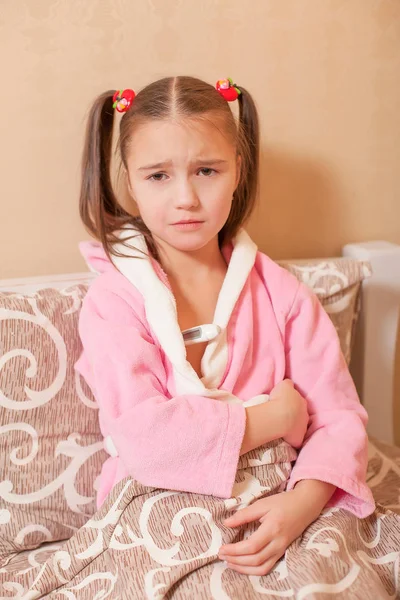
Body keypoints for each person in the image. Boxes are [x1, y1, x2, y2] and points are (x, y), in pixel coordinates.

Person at [75, 76, 375, 580]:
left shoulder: (283, 295)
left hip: (283, 502)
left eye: (207, 170)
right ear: (128, 180)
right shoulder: (114, 301)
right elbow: (146, 443)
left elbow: (339, 419)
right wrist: (275, 419)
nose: (186, 198)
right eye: (157, 176)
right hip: (159, 503)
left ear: (238, 170)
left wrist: (301, 506)